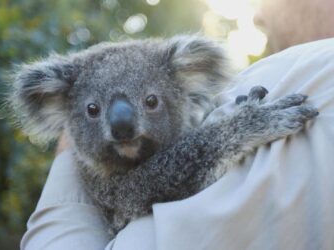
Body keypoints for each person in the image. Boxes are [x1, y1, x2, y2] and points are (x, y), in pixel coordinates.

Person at [21, 0, 334, 249]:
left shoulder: (319, 76)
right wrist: (232, 134)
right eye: (92, 109)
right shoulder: (103, 178)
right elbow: (136, 191)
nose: (122, 125)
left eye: (152, 102)